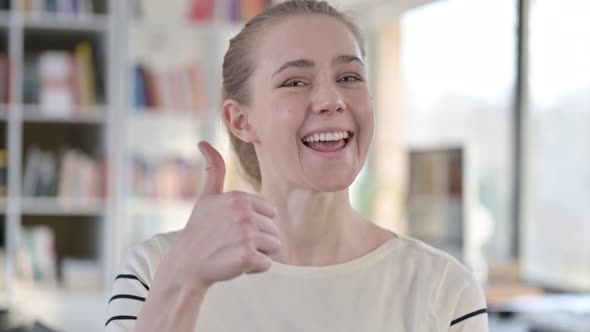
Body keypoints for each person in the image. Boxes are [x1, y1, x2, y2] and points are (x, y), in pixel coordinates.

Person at [106, 1, 488, 331]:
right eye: (295, 81)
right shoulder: (155, 270)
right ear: (241, 121)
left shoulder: (444, 288)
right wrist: (184, 280)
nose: (332, 99)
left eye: (349, 76)